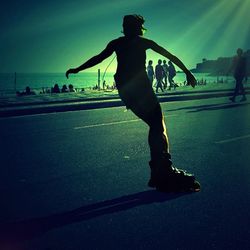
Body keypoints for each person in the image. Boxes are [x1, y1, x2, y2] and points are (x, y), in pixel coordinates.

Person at [66, 14, 200, 192]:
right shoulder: (142, 42)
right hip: (141, 89)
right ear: (139, 28)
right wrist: (187, 72)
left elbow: (98, 58)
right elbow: (170, 55)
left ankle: (159, 170)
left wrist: (77, 69)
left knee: (155, 126)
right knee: (158, 126)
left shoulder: (116, 43)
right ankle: (163, 170)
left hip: (125, 91)